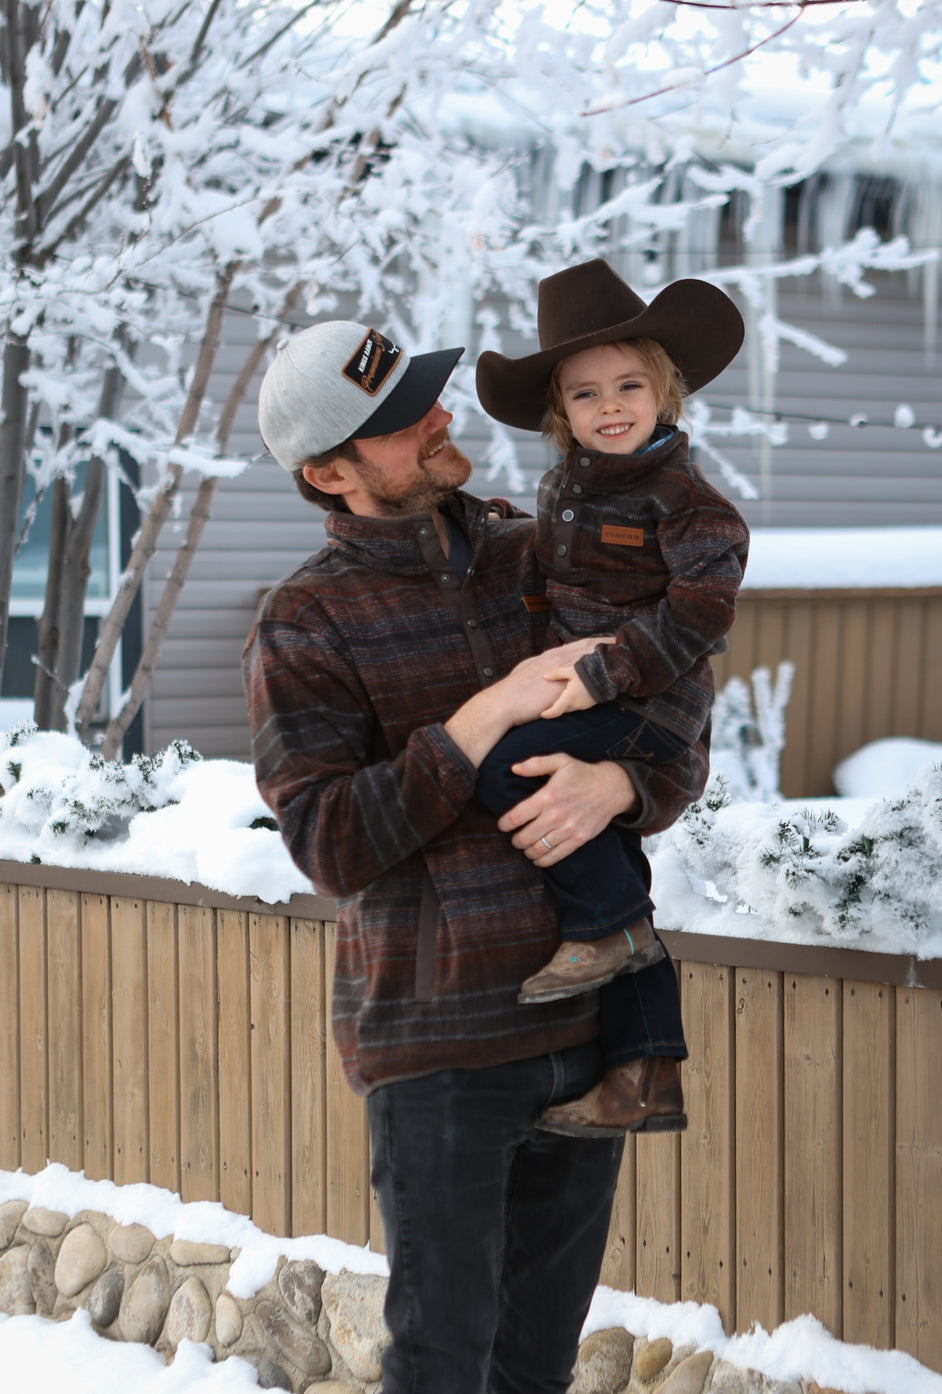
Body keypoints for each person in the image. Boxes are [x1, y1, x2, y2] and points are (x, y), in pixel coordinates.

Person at [242, 316, 711, 1394]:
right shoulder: (304, 621)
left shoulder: (540, 548)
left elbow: (679, 707)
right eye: (402, 420)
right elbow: (328, 840)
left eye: (429, 396)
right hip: (440, 1046)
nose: (440, 416)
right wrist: (479, 721)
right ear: (329, 472)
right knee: (444, 1363)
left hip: (590, 1034)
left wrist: (625, 782)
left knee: (533, 1367)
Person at [474, 258, 749, 1133]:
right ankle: (647, 1076)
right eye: (587, 395)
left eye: (630, 384)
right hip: (591, 691)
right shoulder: (567, 486)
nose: (612, 406)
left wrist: (607, 670)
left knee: (505, 761)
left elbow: (698, 615)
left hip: (651, 701)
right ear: (563, 415)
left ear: (666, 392)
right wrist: (501, 532)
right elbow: (552, 568)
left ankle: (608, 927)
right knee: (611, 854)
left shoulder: (688, 500)